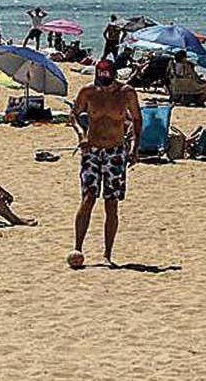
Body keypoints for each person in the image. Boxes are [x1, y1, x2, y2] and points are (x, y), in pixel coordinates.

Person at [69, 59, 142, 267]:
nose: (103, 84)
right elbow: (73, 115)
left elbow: (137, 119)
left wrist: (135, 148)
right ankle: (78, 247)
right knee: (88, 198)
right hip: (91, 151)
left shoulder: (126, 93)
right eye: (100, 78)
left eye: (106, 79)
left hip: (116, 152)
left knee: (111, 203)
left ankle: (107, 254)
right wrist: (81, 134)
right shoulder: (88, 92)